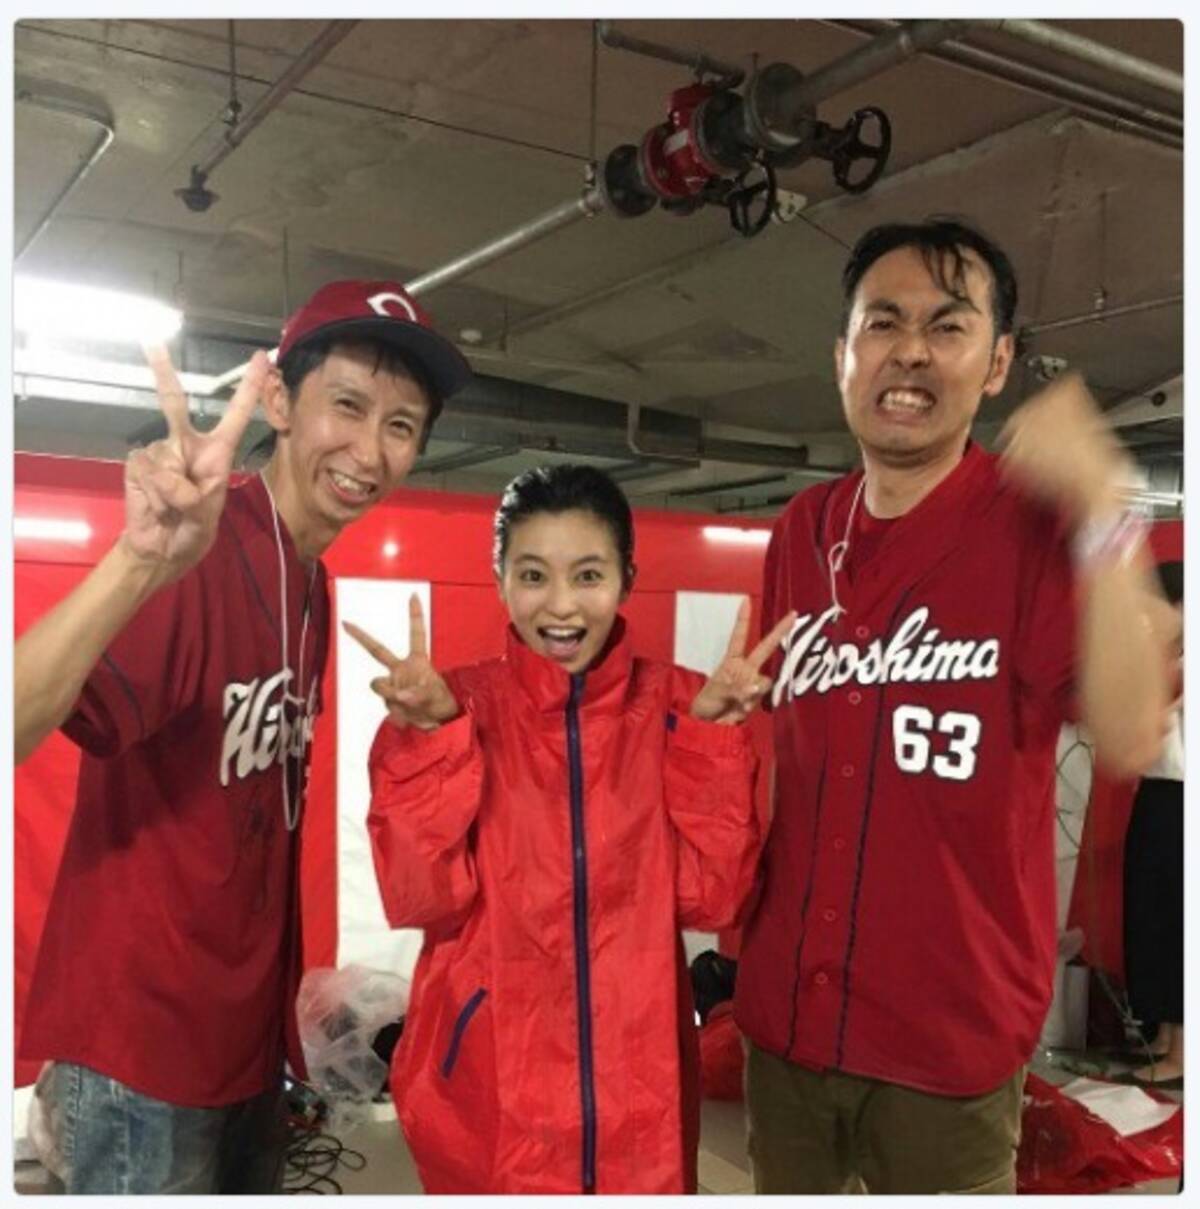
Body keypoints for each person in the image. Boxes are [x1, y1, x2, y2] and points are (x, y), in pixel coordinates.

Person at [732, 217, 1174, 1194]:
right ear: (843, 356)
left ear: (998, 362)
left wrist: (1106, 508)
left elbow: (1134, 729)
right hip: (789, 1023)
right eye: (883, 323)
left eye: (948, 326)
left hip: (947, 1043)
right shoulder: (802, 530)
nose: (912, 352)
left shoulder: (1033, 529)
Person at [15, 280, 472, 1194]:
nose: (370, 450)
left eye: (401, 425)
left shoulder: (312, 584)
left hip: (245, 1047)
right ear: (277, 401)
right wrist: (138, 560)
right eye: (348, 405)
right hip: (142, 1054)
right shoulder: (201, 550)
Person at [346, 464, 793, 1193]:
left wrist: (710, 745)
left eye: (588, 574)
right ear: (500, 580)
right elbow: (421, 896)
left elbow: (714, 899)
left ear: (626, 578)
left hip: (637, 1093)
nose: (560, 605)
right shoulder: (449, 706)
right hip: (489, 1083)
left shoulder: (684, 706)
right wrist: (431, 743)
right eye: (533, 575)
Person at [1119, 558, 1183, 1088]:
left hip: (1182, 798)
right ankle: (1164, 1032)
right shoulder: (1168, 658)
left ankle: (1183, 1052)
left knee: (1178, 917)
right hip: (1156, 793)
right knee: (1151, 913)